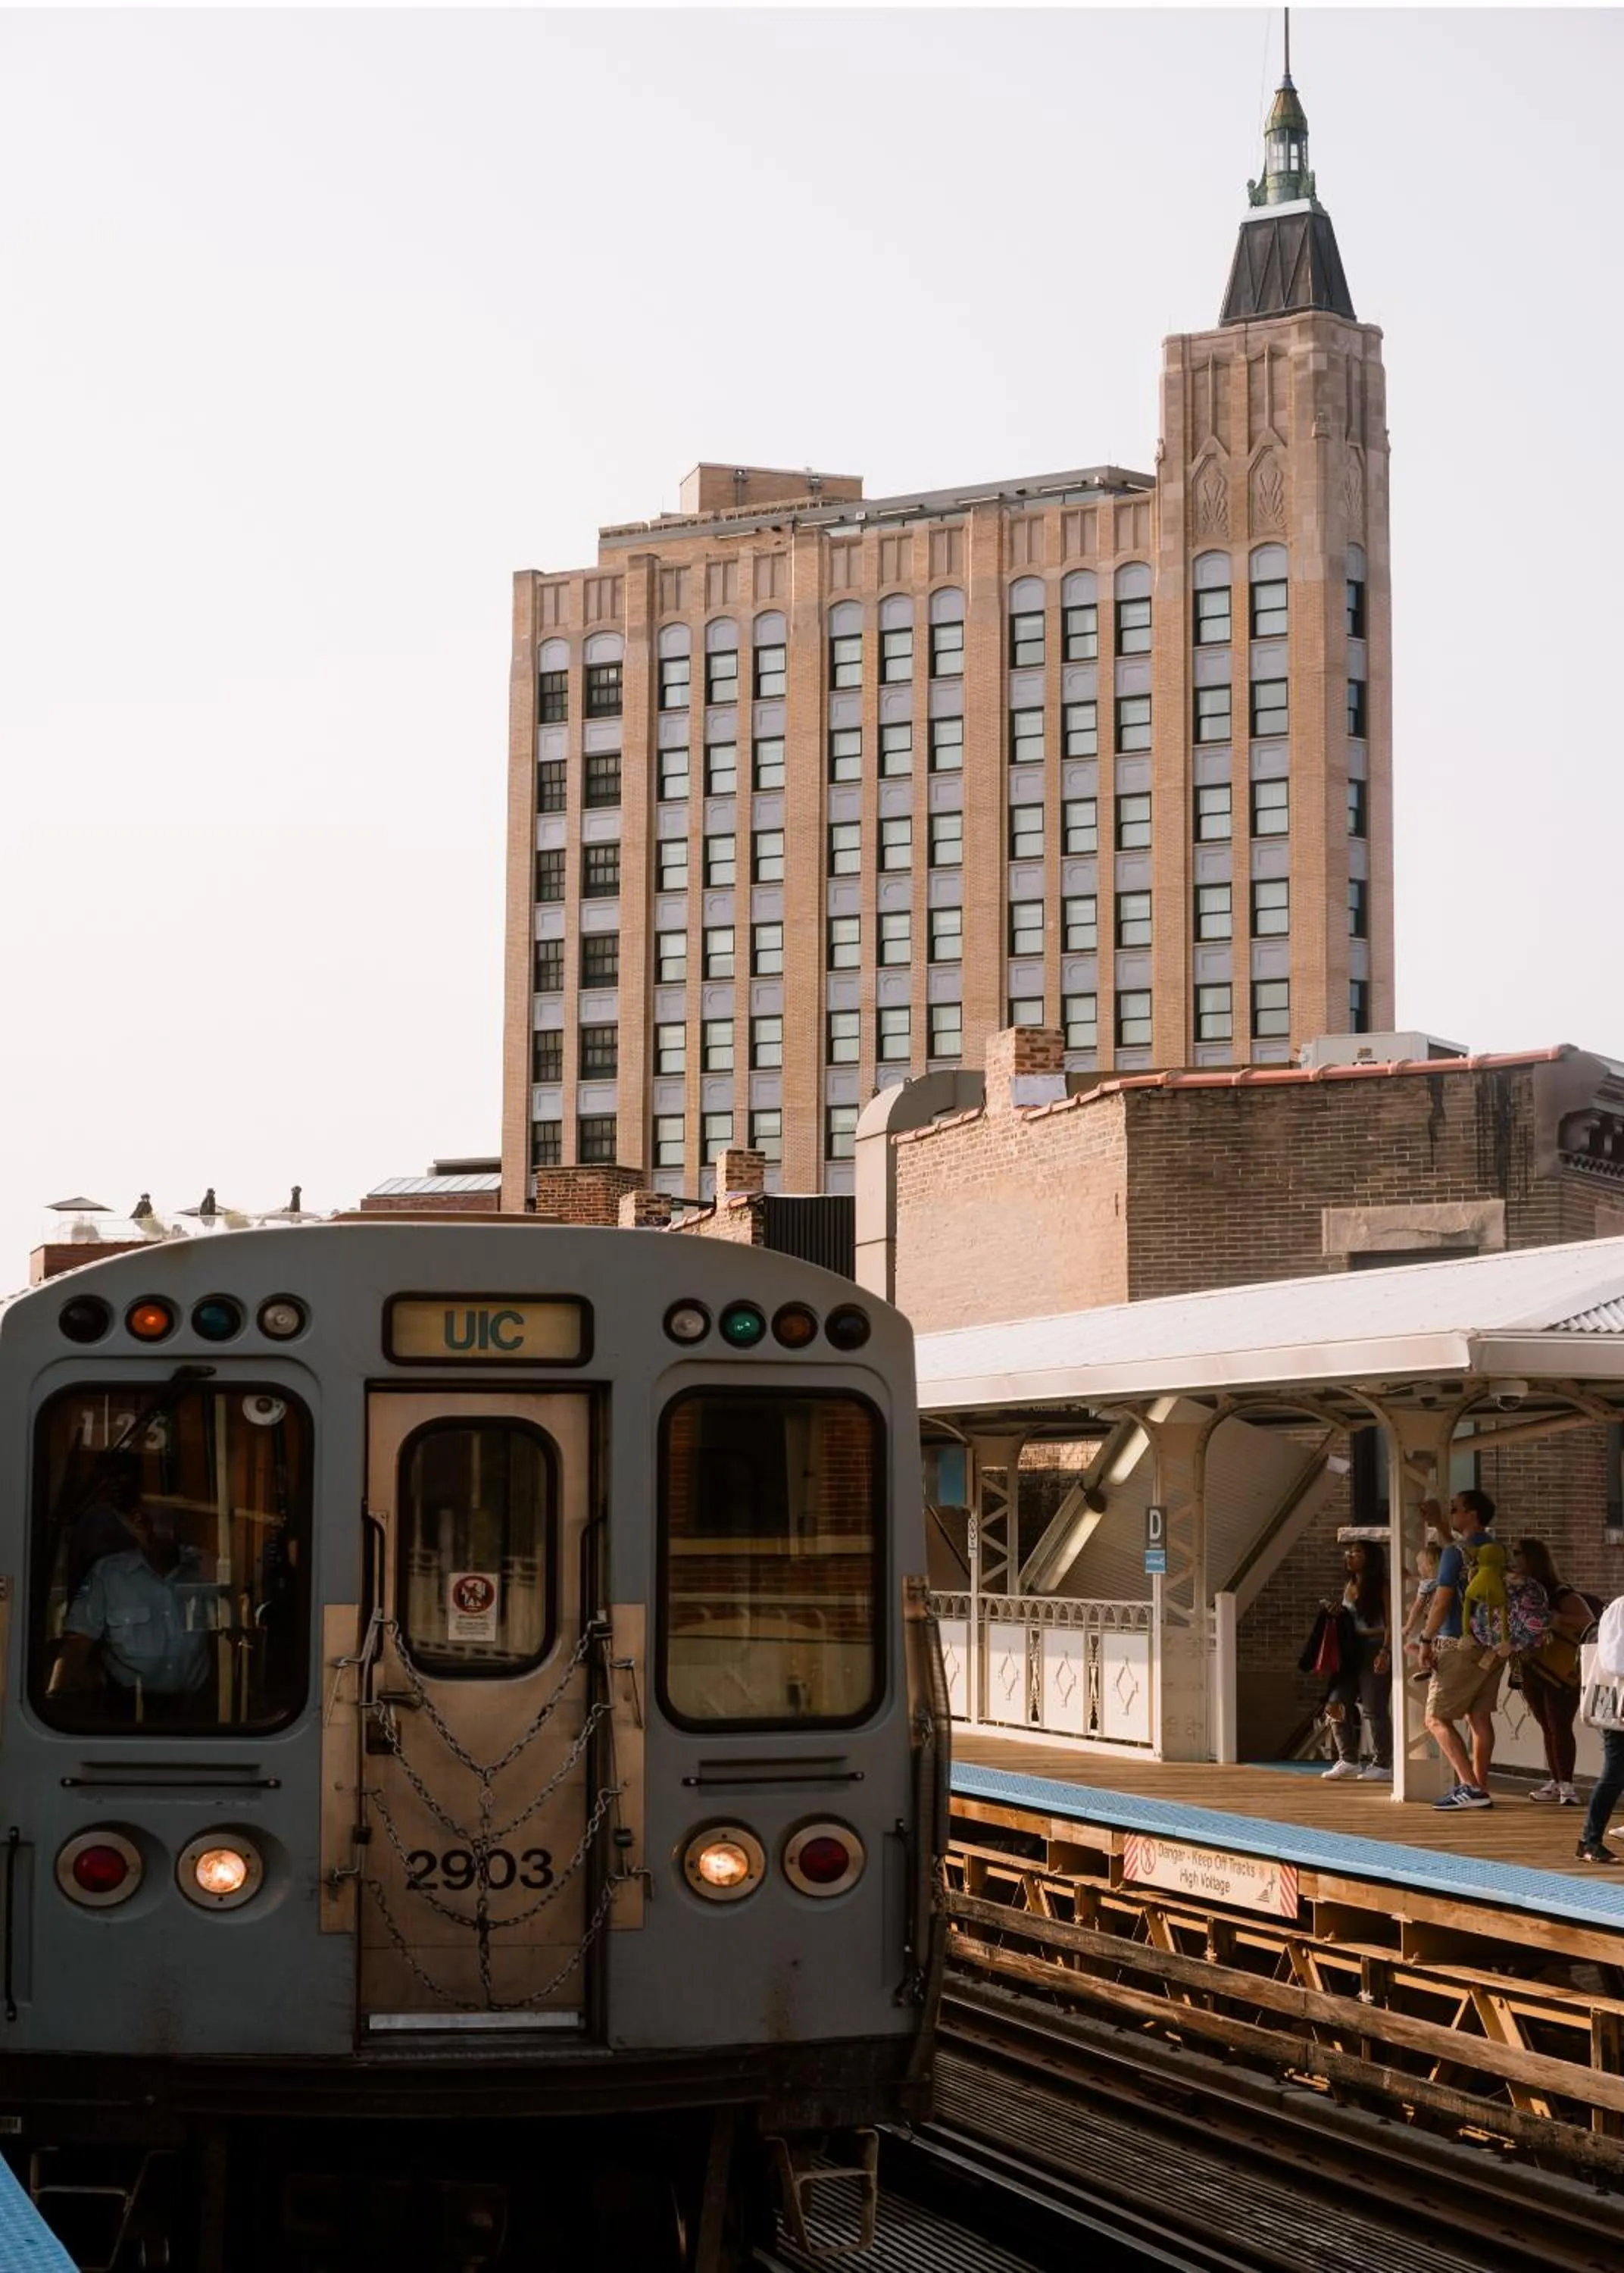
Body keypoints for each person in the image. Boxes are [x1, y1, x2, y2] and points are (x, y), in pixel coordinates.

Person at [49, 1499, 218, 1719]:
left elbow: (226, 1632)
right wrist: (53, 1698)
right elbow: (78, 1643)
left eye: (167, 1524)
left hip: (197, 1711)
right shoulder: (108, 1574)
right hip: (129, 1711)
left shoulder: (203, 1569)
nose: (158, 1533)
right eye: (149, 1523)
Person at [1417, 1488, 1501, 1810]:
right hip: (1493, 1647)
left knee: (1435, 1718)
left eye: (1456, 1510)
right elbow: (1462, 1549)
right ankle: (1480, 1786)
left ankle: (1469, 1787)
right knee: (1479, 1717)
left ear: (1472, 1514)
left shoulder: (1454, 1555)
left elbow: (1442, 1600)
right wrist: (1440, 1524)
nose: (1452, 1514)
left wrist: (1426, 1638)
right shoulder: (1496, 1549)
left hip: (1458, 1644)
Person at [1512, 1537, 1591, 1806]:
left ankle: (1568, 1786)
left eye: (1518, 1554)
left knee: (1560, 1725)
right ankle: (1556, 1781)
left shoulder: (1560, 1593)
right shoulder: (1521, 1593)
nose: (1514, 1560)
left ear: (1532, 1558)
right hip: (1533, 1665)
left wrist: (1557, 1620)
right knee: (1546, 1725)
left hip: (1560, 1669)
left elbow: (1589, 1623)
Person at [1322, 1540, 1391, 1781]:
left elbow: (1392, 1622)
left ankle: (1383, 1763)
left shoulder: (1382, 1586)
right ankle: (1349, 1759)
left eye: (1357, 1552)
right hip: (1351, 1649)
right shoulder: (1349, 1585)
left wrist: (1385, 1651)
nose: (1350, 1555)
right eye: (1349, 1552)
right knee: (1335, 1703)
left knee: (1374, 1707)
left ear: (1370, 1558)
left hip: (1374, 1645)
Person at [1576, 1594, 1624, 1865]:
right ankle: (1590, 1841)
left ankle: (1590, 1840)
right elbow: (1613, 1662)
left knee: (1616, 1773)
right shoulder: (1620, 1609)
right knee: (1614, 1774)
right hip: (1619, 1705)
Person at [1401, 1540, 1441, 1679]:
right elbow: (1421, 1581)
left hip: (1431, 1624)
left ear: (1428, 1566)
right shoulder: (1443, 1581)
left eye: (1419, 1565)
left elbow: (1417, 1607)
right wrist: (1410, 1577)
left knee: (1409, 1647)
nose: (1418, 1568)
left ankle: (1427, 1666)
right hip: (1444, 1627)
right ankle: (1429, 1665)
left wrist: (1408, 1626)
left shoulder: (1426, 1586)